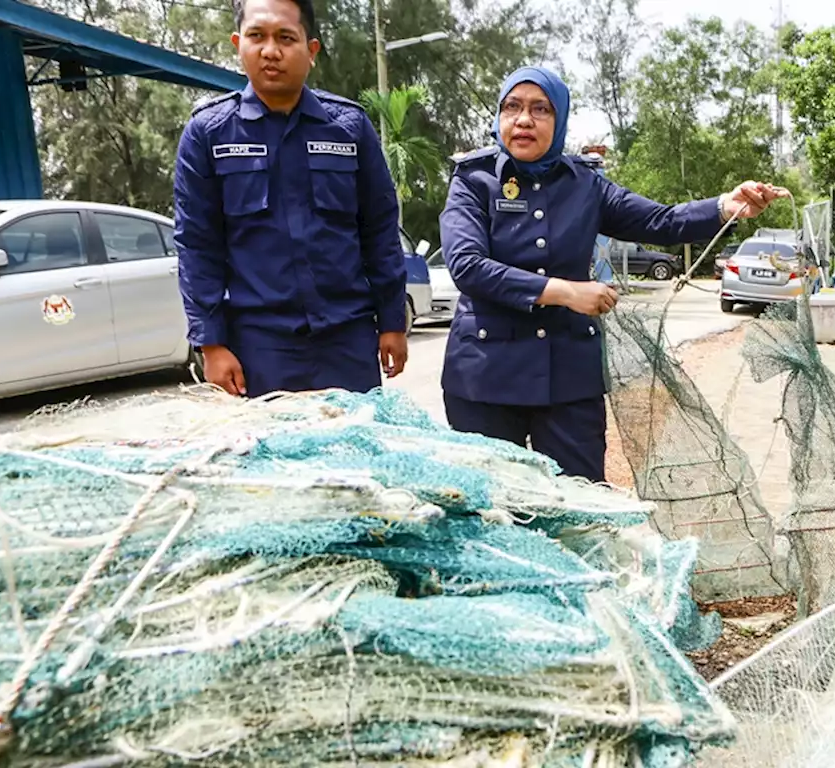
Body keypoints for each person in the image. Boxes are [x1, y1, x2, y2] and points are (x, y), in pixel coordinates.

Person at [439, 66, 787, 483]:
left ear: (560, 118)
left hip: (568, 380)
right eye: (512, 107)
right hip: (484, 379)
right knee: (491, 510)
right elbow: (466, 265)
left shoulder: (585, 185)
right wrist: (566, 292)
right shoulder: (473, 180)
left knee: (581, 510)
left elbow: (662, 221)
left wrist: (725, 208)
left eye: (540, 109)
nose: (524, 119)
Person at [173, 0, 408, 399]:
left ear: (310, 50)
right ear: (237, 43)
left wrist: (391, 321)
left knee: (356, 455)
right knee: (271, 458)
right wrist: (210, 344)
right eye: (256, 36)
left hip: (346, 340)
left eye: (285, 37)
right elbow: (197, 245)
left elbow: (380, 230)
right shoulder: (208, 134)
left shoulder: (348, 128)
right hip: (259, 347)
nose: (270, 50)